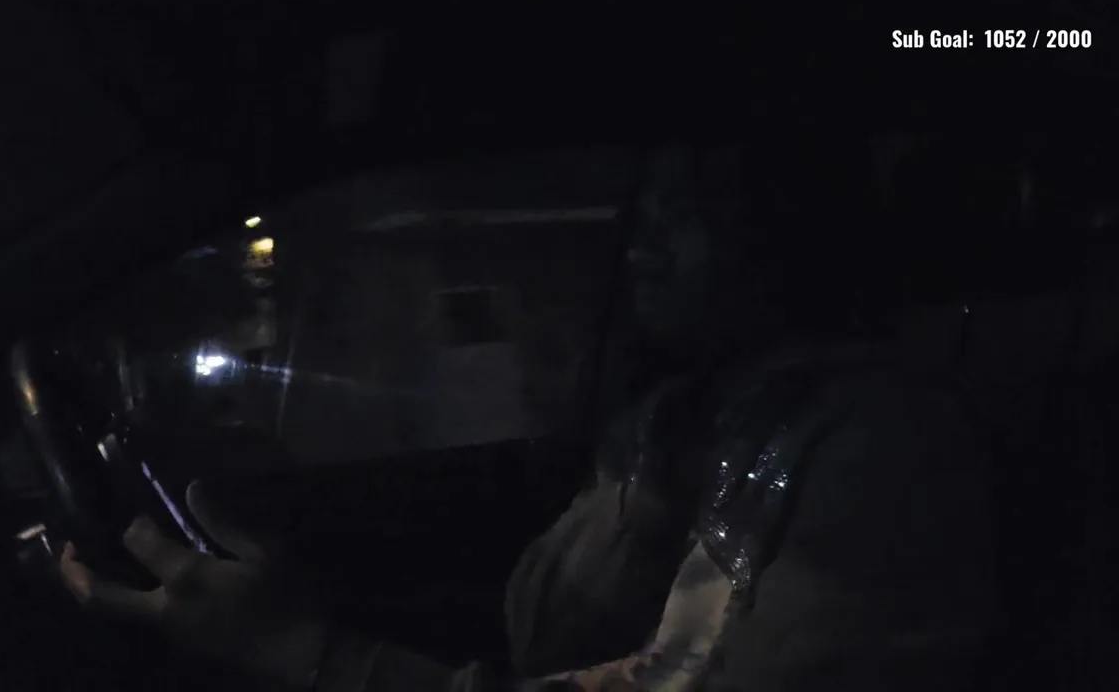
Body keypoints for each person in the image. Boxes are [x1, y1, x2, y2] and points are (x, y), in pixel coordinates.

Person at [60, 143, 998, 691]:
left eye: (686, 210)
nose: (643, 246)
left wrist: (306, 653)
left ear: (787, 227)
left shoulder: (880, 453)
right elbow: (547, 637)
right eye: (644, 211)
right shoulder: (688, 417)